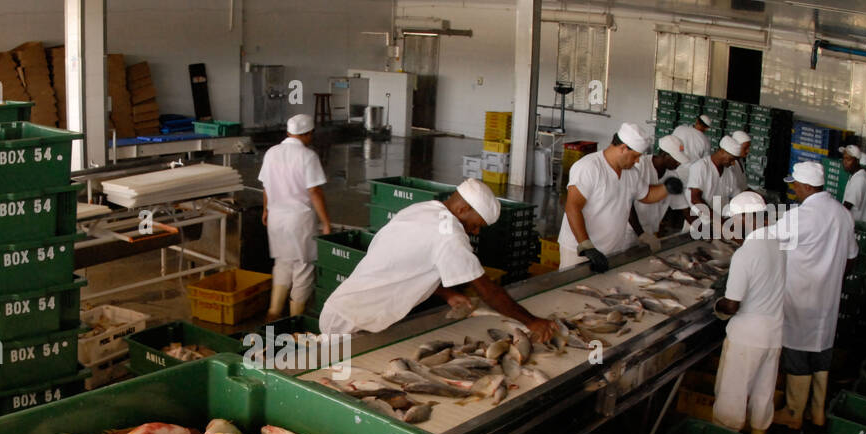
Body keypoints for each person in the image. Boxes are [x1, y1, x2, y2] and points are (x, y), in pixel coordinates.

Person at [320, 179, 556, 342]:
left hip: (344, 310)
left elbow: (406, 267)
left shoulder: (422, 210)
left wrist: (446, 293)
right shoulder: (451, 235)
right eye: (475, 225)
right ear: (462, 209)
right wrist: (532, 321)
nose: (474, 232)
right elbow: (488, 292)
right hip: (351, 324)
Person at [778, 160, 859, 430]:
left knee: (797, 354)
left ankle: (794, 413)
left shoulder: (798, 216)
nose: (794, 191)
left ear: (804, 186)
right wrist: (832, 277)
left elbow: (770, 248)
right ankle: (818, 412)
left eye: (796, 187)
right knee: (822, 352)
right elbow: (852, 257)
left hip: (799, 297)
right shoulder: (842, 214)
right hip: (828, 300)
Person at [557, 123, 679, 272]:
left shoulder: (631, 173)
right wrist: (586, 246)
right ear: (623, 148)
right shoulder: (589, 167)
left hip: (611, 250)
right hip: (580, 251)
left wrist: (667, 188)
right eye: (635, 156)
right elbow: (572, 207)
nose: (637, 161)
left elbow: (646, 195)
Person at [712, 192, 785, 434]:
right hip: (773, 335)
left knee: (732, 397)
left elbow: (732, 305)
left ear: (744, 217)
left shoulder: (745, 254)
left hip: (746, 338)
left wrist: (716, 303)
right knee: (762, 395)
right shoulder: (779, 244)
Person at [258, 114, 331, 321]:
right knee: (303, 266)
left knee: (282, 262)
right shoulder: (308, 156)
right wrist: (325, 222)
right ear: (308, 134)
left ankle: (273, 312)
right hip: (299, 220)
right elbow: (314, 191)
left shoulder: (272, 153)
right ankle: (294, 320)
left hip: (276, 217)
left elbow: (266, 185)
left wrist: (266, 210)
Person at [630, 134, 694, 240]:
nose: (679, 163)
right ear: (664, 154)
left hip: (650, 230)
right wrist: (641, 234)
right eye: (676, 159)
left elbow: (684, 208)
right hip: (630, 230)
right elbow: (627, 204)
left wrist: (703, 230)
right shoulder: (640, 166)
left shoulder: (672, 175)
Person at [685, 136, 742, 222]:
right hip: (698, 220)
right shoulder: (700, 167)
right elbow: (695, 198)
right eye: (732, 159)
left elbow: (737, 196)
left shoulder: (729, 173)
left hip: (719, 220)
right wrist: (717, 220)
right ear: (723, 151)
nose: (733, 163)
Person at [840, 144, 866, 225]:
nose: (844, 162)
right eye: (844, 158)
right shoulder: (855, 175)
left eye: (848, 159)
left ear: (857, 161)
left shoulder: (859, 179)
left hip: (857, 227)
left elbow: (847, 205)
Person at [725, 130, 751, 195]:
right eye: (745, 148)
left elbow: (743, 187)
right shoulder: (729, 164)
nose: (748, 151)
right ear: (736, 146)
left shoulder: (740, 161)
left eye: (748, 147)